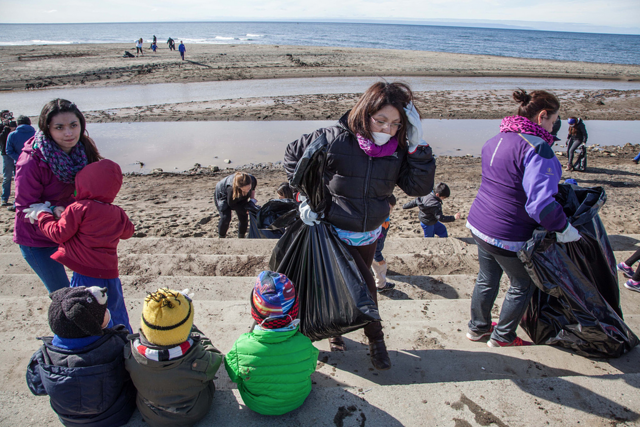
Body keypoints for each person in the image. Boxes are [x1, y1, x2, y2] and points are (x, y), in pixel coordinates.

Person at [284, 81, 436, 370]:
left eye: (396, 124)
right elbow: (293, 155)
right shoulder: (332, 139)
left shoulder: (398, 148)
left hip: (369, 233)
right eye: (381, 121)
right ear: (365, 114)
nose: (387, 130)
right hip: (332, 232)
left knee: (349, 286)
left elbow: (417, 187)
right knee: (364, 288)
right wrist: (304, 196)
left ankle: (339, 332)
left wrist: (417, 146)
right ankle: (375, 339)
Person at [466, 89, 581, 348]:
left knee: (487, 277)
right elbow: (540, 204)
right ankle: (503, 337)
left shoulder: (496, 138)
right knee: (522, 284)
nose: (553, 129)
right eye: (553, 122)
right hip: (507, 233)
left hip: (479, 223)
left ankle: (478, 328)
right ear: (542, 117)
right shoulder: (538, 148)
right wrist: (564, 228)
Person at [25, 159, 134, 331]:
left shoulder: (78, 208)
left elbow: (58, 233)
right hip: (111, 274)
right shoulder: (117, 212)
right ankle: (124, 341)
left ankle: (93, 346)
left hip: (85, 274)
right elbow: (128, 232)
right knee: (116, 310)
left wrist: (42, 215)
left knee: (88, 313)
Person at [14, 99, 103, 293]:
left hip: (71, 233)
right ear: (48, 129)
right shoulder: (31, 161)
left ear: (81, 124)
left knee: (95, 291)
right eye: (59, 127)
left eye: (73, 125)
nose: (69, 133)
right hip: (38, 239)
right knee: (64, 297)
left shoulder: (83, 149)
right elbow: (23, 208)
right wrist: (53, 211)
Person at [26, 286, 136, 427]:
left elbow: (36, 387)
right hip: (117, 415)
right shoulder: (115, 345)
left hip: (69, 420)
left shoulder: (44, 356)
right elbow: (134, 374)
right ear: (94, 324)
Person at [125, 288, 223, 427]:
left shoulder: (130, 353)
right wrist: (198, 335)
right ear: (186, 328)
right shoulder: (197, 359)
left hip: (150, 414)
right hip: (193, 412)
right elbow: (216, 359)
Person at [225, 271, 319, 415]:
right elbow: (311, 369)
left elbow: (234, 376)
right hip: (297, 400)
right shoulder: (305, 345)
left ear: (254, 311)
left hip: (255, 404)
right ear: (294, 311)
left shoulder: (241, 347)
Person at [214, 172, 257, 238]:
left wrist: (252, 201)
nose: (248, 190)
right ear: (240, 187)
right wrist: (243, 209)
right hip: (223, 194)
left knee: (244, 217)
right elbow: (231, 204)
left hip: (239, 193)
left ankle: (241, 237)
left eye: (249, 188)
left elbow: (253, 190)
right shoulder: (230, 189)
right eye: (246, 189)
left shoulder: (252, 179)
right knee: (226, 218)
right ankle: (221, 237)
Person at [371, 195, 396, 292]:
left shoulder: (383, 218)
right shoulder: (379, 225)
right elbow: (376, 244)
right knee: (381, 267)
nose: (391, 211)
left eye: (392, 208)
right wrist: (378, 257)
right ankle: (381, 286)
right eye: (390, 208)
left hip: (372, 249)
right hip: (374, 252)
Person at [1, 120, 17, 207]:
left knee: (17, 178)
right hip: (6, 155)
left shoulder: (14, 127)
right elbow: (1, 139)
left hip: (15, 155)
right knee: (7, 177)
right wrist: (5, 130)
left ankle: (16, 200)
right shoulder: (2, 128)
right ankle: (4, 199)